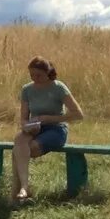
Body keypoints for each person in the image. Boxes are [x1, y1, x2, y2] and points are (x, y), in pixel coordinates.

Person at [12, 56, 84, 203]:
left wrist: (48, 119)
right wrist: (27, 125)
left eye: (38, 75)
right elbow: (23, 118)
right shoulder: (27, 90)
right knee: (19, 140)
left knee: (23, 150)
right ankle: (24, 188)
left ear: (48, 73)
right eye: (32, 75)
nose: (35, 78)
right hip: (35, 128)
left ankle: (19, 190)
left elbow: (78, 114)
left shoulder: (58, 87)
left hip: (56, 129)